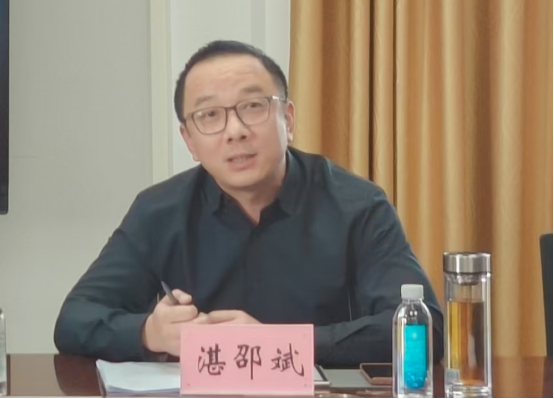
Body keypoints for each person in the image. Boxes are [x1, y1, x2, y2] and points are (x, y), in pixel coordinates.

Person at [54, 40, 444, 367]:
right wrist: (149, 333)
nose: (235, 131)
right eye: (209, 115)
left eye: (253, 106)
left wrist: (277, 345)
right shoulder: (159, 211)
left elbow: (425, 331)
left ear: (288, 120)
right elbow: (74, 319)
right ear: (189, 141)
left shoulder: (357, 205)